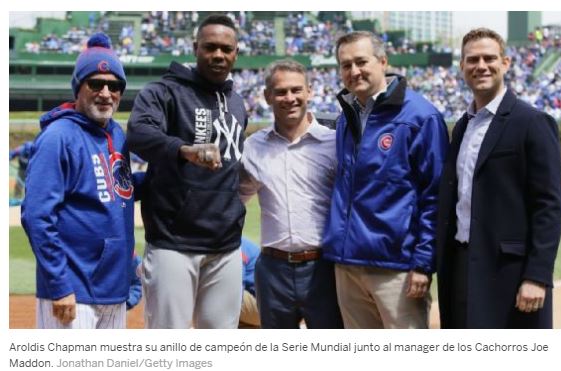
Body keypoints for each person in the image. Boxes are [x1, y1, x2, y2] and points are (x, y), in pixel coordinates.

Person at [436, 28, 561, 329]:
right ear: (462, 67)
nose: (481, 65)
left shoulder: (532, 122)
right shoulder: (463, 126)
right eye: (472, 60)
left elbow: (548, 206)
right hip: (460, 263)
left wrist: (537, 276)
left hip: (510, 272)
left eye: (489, 58)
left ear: (505, 63)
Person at [127, 14, 247, 329]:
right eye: (210, 47)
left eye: (226, 48)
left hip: (225, 246)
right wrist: (183, 149)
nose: (218, 55)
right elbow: (138, 134)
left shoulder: (237, 102)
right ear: (195, 48)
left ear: (236, 53)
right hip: (172, 243)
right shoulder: (163, 91)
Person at [323, 31, 449, 329]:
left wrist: (422, 263)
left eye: (361, 61)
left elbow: (435, 195)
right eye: (345, 65)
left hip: (396, 268)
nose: (354, 71)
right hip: (347, 263)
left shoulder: (421, 116)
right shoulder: (346, 116)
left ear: (382, 61)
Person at [21, 32, 136, 329]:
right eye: (96, 83)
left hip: (112, 289)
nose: (106, 92)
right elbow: (37, 216)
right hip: (72, 290)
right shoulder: (58, 137)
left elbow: (118, 190)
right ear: (78, 88)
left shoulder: (117, 134)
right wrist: (59, 284)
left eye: (115, 85)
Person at [240, 59, 343, 329]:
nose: (290, 98)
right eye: (281, 92)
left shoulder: (334, 144)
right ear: (267, 96)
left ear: (309, 91)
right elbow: (235, 200)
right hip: (272, 269)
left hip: (324, 267)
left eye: (297, 90)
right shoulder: (253, 146)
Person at [239, 237, 260, 328]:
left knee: (212, 291)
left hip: (263, 309)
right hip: (267, 306)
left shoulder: (236, 246)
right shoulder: (240, 241)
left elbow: (236, 287)